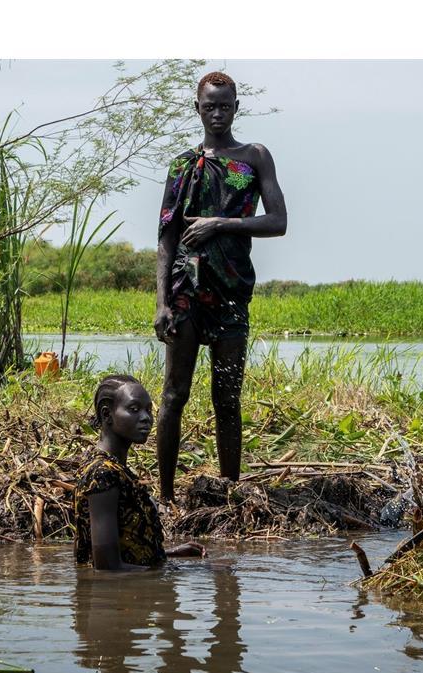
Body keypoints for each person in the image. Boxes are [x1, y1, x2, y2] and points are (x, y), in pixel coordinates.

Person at [154, 71, 288, 504]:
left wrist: (220, 224)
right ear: (197, 109)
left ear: (236, 107)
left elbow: (278, 222)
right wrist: (161, 303)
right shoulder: (181, 165)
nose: (217, 112)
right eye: (209, 105)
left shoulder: (254, 157)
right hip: (185, 289)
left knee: (227, 399)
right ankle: (167, 497)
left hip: (231, 291)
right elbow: (166, 238)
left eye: (224, 105)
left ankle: (230, 495)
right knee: (174, 394)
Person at [74, 374, 205, 570]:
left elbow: (119, 550)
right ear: (107, 415)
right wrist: (174, 571)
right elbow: (107, 568)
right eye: (134, 409)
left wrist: (168, 554)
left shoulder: (113, 468)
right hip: (116, 600)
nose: (146, 418)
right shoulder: (102, 474)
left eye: (149, 410)